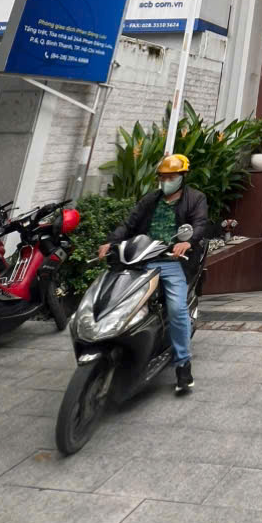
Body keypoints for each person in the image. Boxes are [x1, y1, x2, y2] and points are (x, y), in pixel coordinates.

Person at [97, 153, 208, 395]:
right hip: (141, 259)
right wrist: (111, 241)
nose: (166, 181)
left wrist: (187, 243)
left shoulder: (196, 198)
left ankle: (183, 365)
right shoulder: (151, 199)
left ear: (183, 176)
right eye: (162, 177)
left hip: (171, 260)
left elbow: (199, 224)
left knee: (177, 309)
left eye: (171, 177)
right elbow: (129, 223)